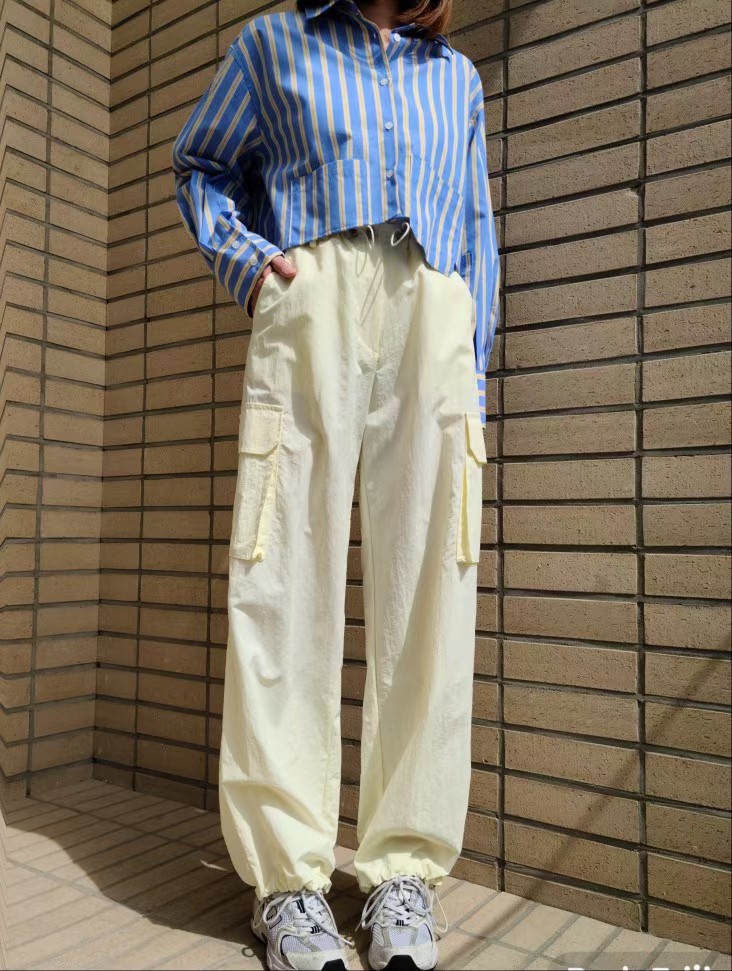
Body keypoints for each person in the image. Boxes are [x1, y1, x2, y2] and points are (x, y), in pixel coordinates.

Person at [172, 0, 500, 967]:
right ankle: (288, 883)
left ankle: (403, 872)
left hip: (433, 310)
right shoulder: (273, 44)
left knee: (432, 590)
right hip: (310, 298)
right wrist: (251, 266)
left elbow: (475, 226)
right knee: (282, 578)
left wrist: (472, 359)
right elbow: (200, 164)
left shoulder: (456, 77)